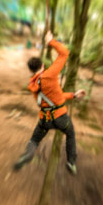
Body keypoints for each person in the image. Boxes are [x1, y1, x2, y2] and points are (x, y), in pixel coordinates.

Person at [14, 31, 85, 174]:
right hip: (60, 118)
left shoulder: (33, 84)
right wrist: (51, 41)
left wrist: (73, 95)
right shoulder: (49, 75)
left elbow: (54, 98)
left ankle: (28, 155)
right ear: (41, 66)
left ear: (31, 70)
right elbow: (64, 53)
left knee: (34, 139)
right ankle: (71, 162)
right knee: (70, 134)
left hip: (44, 120)